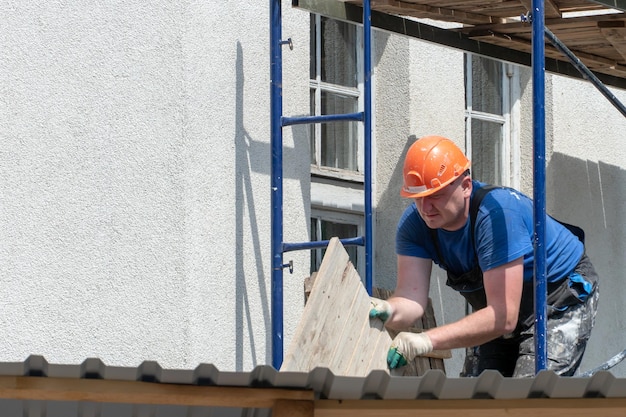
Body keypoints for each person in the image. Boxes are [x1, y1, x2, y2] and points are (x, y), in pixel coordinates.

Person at [370, 135, 599, 377]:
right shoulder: (414, 226)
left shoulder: (498, 215)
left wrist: (425, 340)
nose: (425, 208)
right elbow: (411, 299)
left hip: (557, 297)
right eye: (418, 198)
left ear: (466, 186)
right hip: (499, 308)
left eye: (435, 196)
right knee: (475, 398)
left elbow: (503, 318)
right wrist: (388, 309)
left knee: (529, 397)